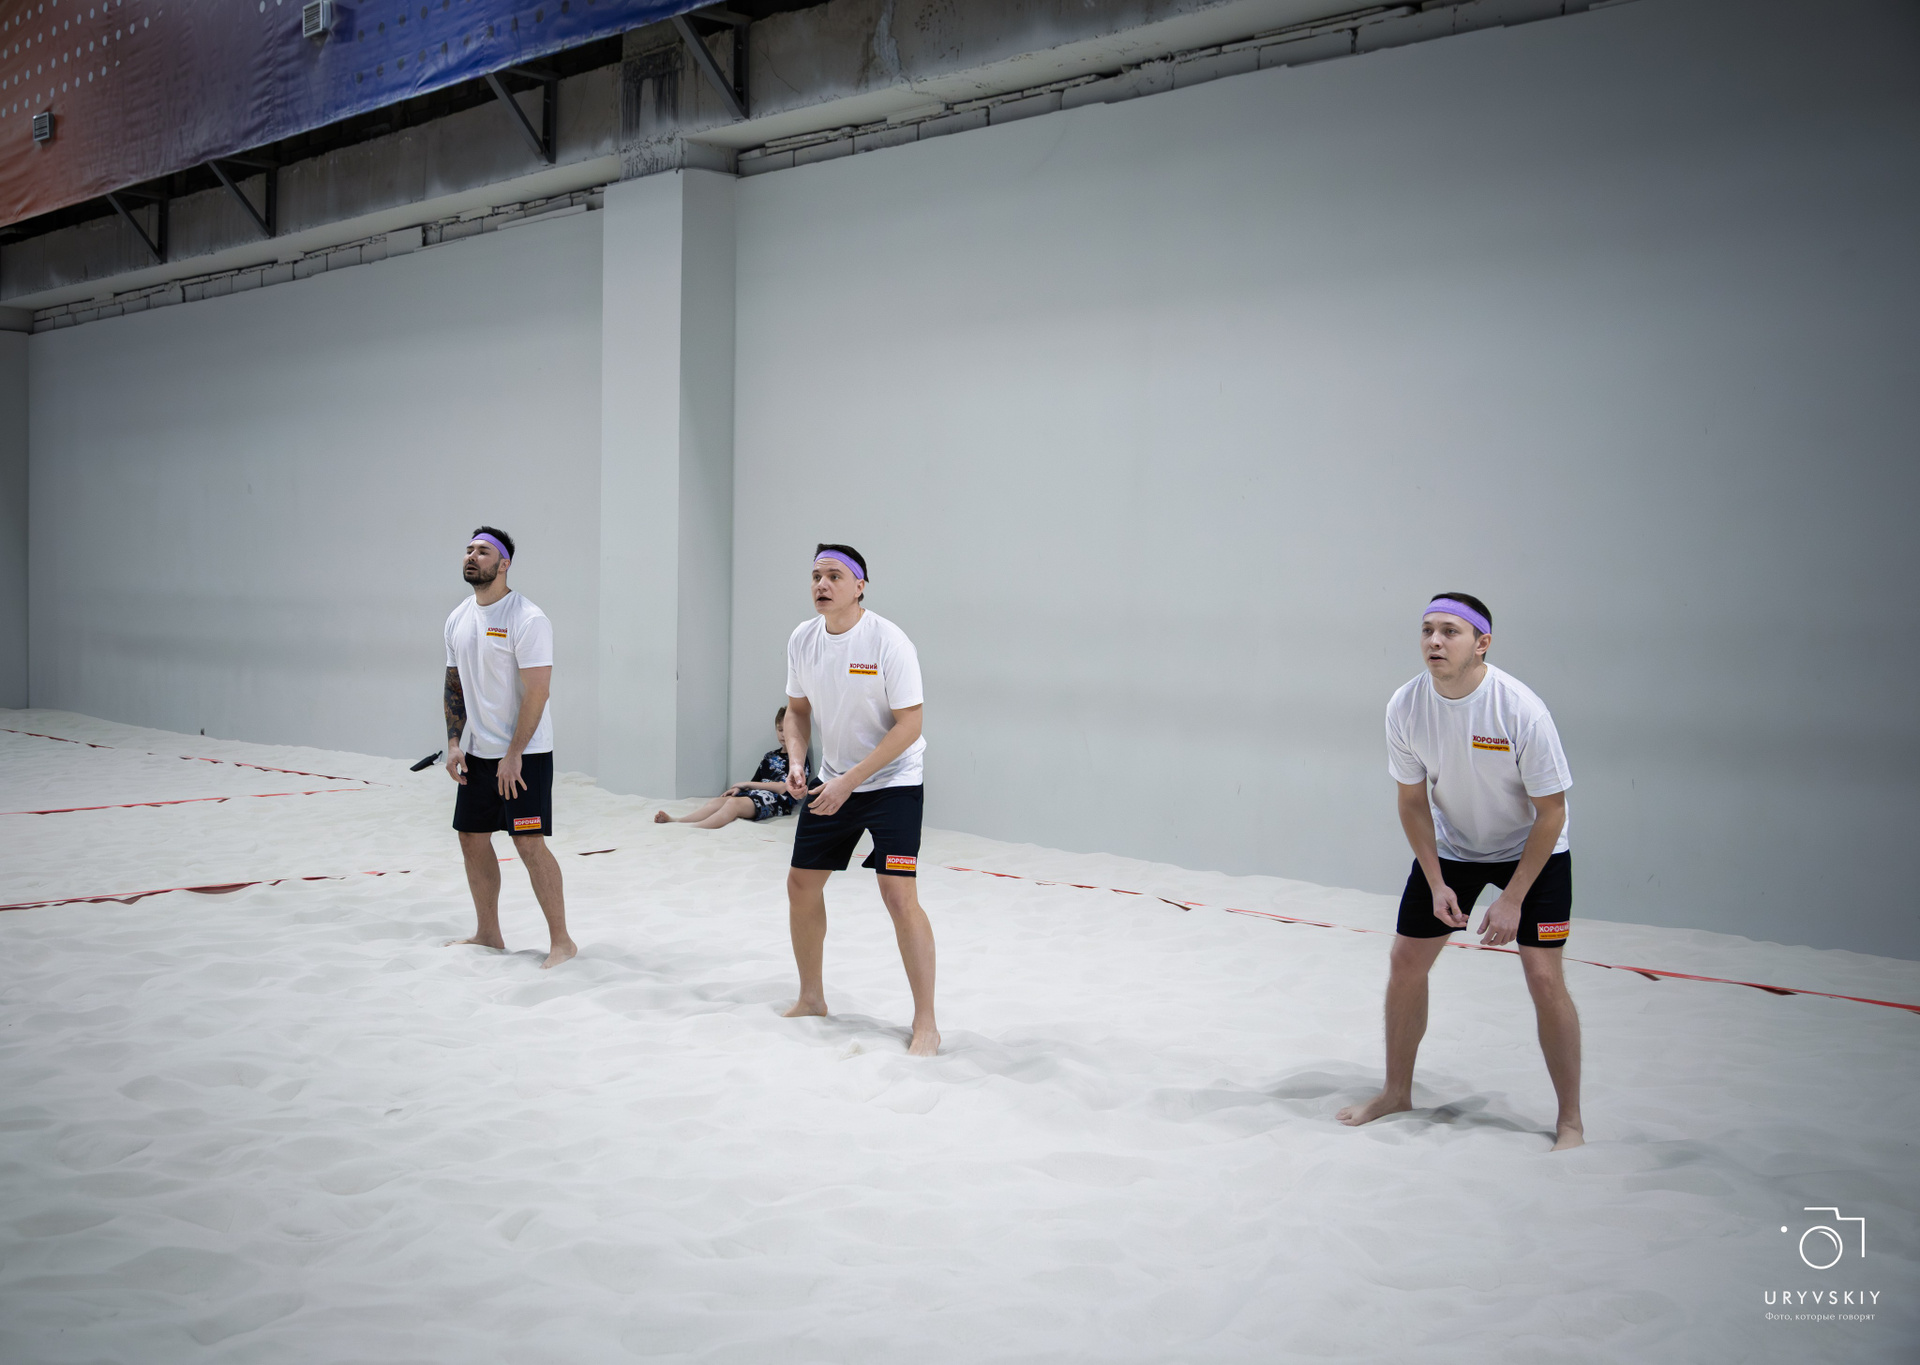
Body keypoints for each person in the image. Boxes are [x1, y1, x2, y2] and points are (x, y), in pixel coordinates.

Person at [1337, 592, 1583, 1150]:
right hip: (1455, 848)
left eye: (1450, 631)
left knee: (1544, 978)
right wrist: (1435, 880)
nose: (1434, 641)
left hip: (1532, 848)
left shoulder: (1520, 709)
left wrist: (1512, 899)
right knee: (1405, 962)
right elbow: (1411, 801)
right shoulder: (1406, 705)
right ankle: (1396, 1093)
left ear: (1482, 643)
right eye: (1427, 629)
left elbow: (1552, 812)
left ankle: (1570, 1121)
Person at [779, 544, 940, 1056]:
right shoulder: (803, 639)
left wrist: (851, 782)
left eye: (834, 576)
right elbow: (797, 711)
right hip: (833, 779)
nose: (821, 585)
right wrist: (798, 761)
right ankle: (811, 998)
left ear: (859, 586)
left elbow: (910, 725)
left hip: (893, 782)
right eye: (815, 576)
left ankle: (926, 1022)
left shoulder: (889, 641)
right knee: (801, 885)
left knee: (898, 894)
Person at [441, 526, 577, 969]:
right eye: (469, 549)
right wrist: (454, 742)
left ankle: (562, 942)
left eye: (483, 551)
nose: (471, 556)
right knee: (471, 838)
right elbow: (454, 685)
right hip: (477, 754)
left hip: (525, 755)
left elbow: (538, 691)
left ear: (504, 564)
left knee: (528, 843)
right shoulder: (458, 618)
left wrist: (514, 753)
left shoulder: (528, 618)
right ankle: (488, 933)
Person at [654, 707, 814, 829]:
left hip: (777, 801)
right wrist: (740, 789)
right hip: (754, 795)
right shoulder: (769, 756)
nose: (783, 735)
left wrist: (745, 784)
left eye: (787, 730)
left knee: (732, 805)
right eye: (780, 730)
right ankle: (678, 821)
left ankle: (694, 828)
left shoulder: (799, 760)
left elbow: (783, 788)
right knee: (718, 802)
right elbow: (755, 782)